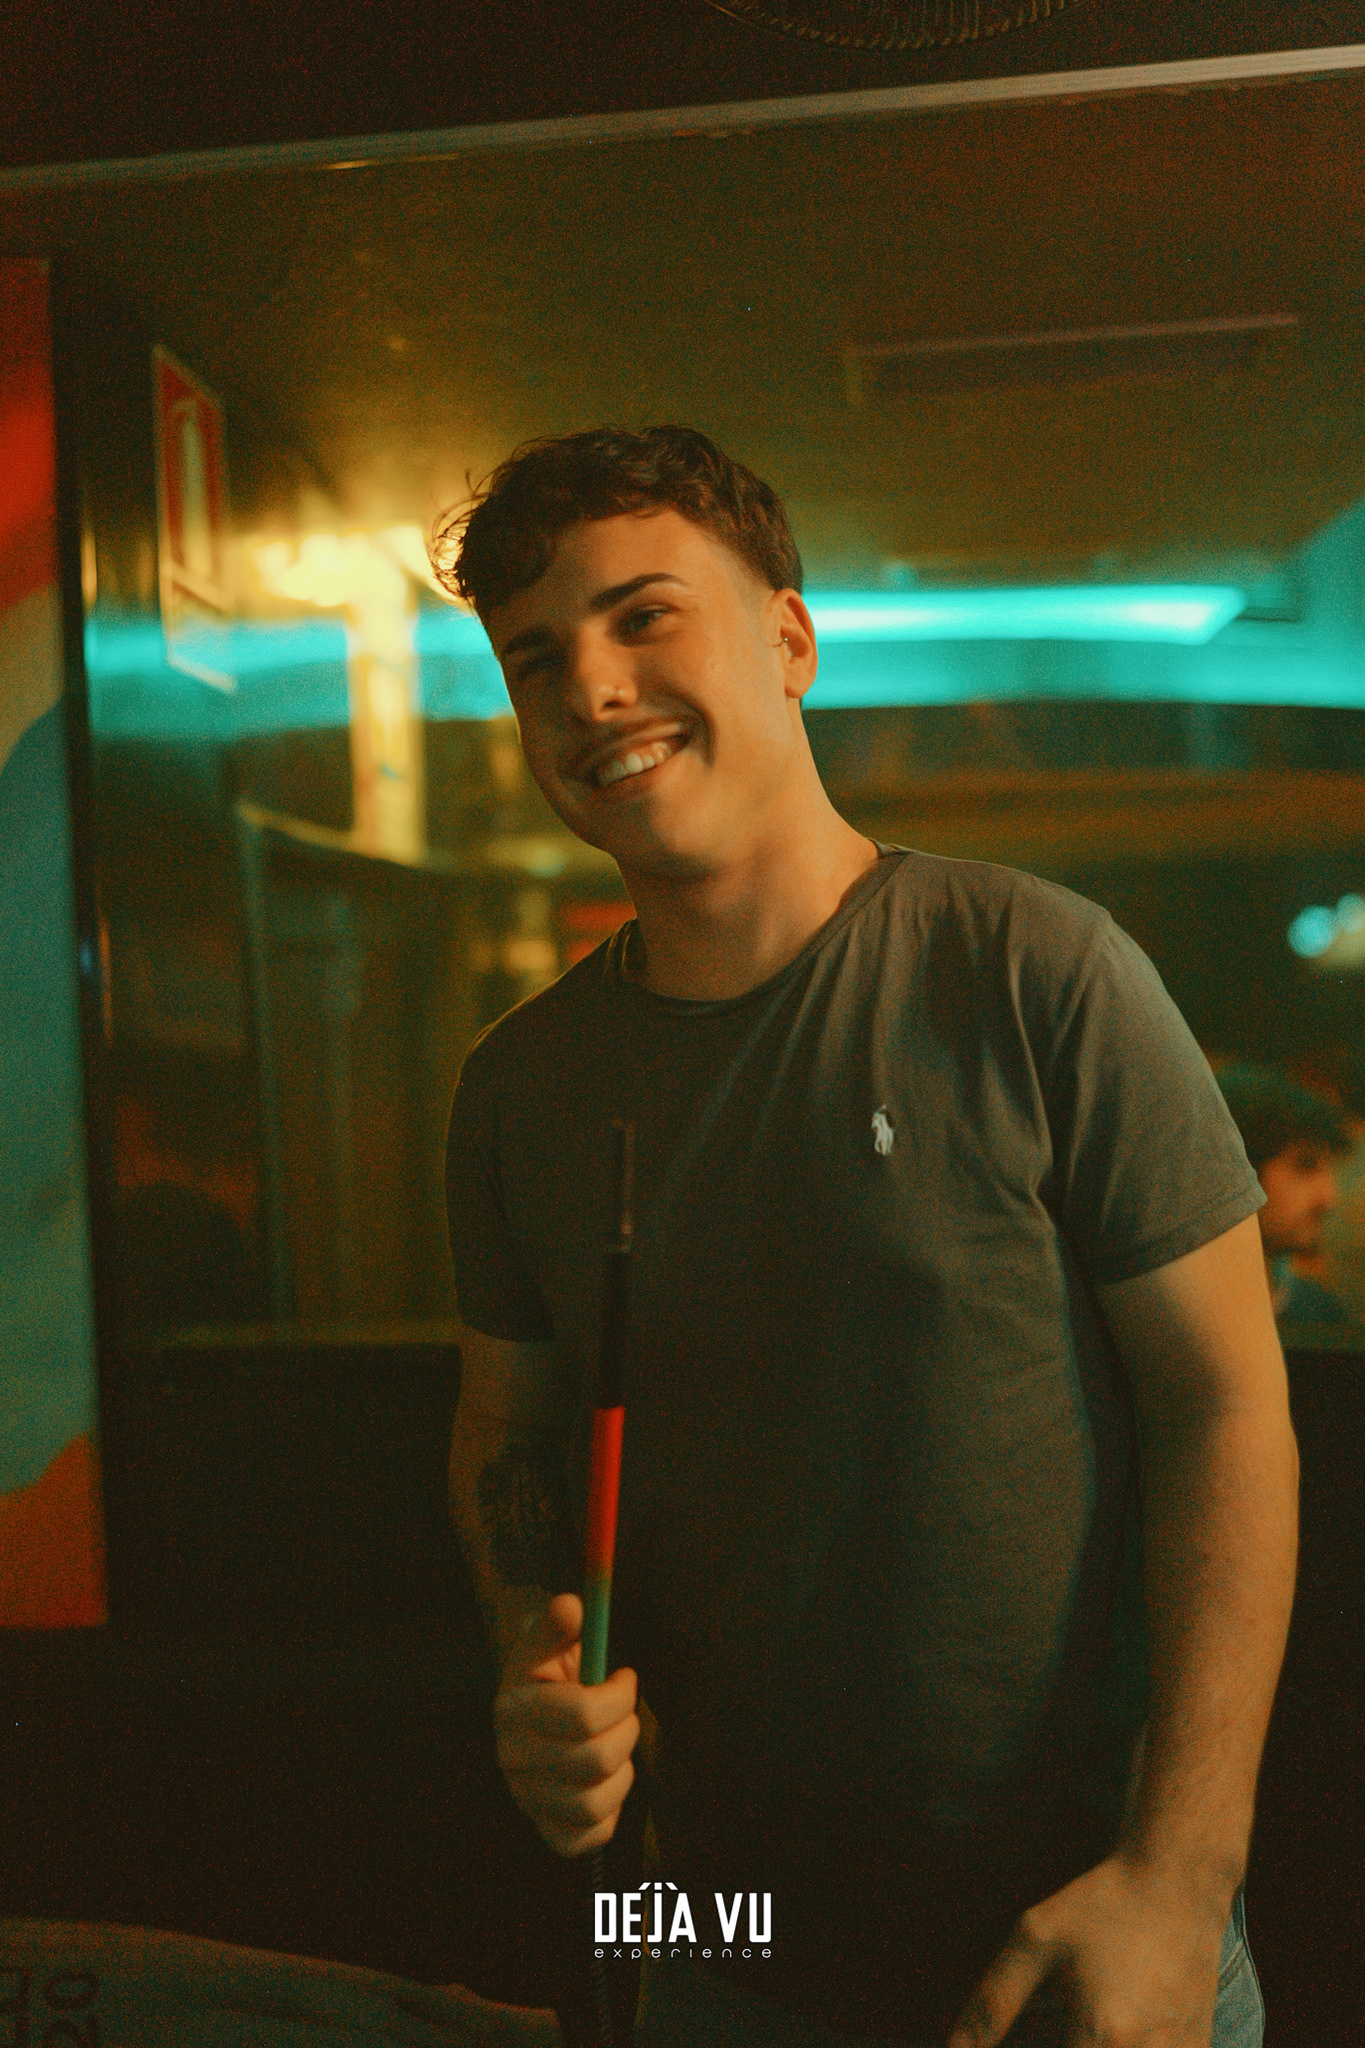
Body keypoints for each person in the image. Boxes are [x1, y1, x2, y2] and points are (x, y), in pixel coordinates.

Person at [438, 426, 1297, 2048]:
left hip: (1070, 1922)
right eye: (536, 658)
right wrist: (534, 1675)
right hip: (705, 1924)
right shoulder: (515, 1087)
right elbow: (505, 1429)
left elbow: (1228, 1405)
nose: (592, 689)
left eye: (642, 616)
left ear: (789, 638)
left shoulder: (1038, 969)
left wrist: (1180, 1882)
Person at [1213, 1063, 1355, 1332]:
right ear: (1239, 1168)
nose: (1328, 1198)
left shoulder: (1319, 1311)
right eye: (1305, 1166)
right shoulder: (1172, 1315)